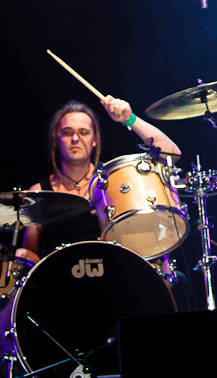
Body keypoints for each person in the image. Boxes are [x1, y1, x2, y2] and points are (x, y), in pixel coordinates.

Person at [16, 96, 182, 265]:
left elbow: (172, 154)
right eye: (67, 133)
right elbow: (31, 251)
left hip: (114, 273)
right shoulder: (39, 191)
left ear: (94, 140)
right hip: (63, 281)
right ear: (56, 139)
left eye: (83, 132)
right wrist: (23, 254)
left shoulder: (112, 178)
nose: (75, 139)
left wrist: (129, 119)